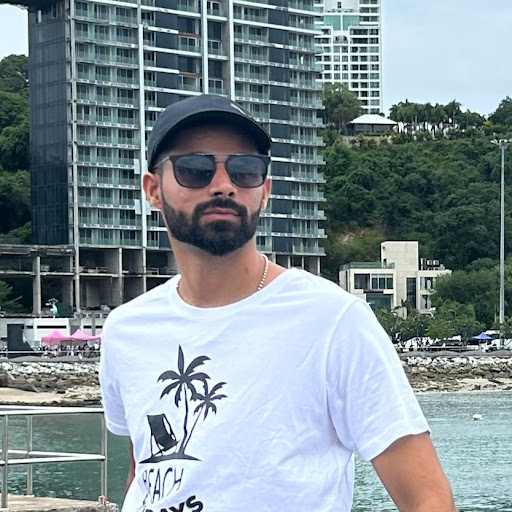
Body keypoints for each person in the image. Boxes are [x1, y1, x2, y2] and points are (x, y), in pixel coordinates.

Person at [99, 94, 456, 512]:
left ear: (264, 190)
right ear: (153, 189)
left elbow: (427, 498)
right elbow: (146, 471)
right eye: (194, 169)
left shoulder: (333, 321)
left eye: (245, 170)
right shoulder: (126, 329)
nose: (223, 185)